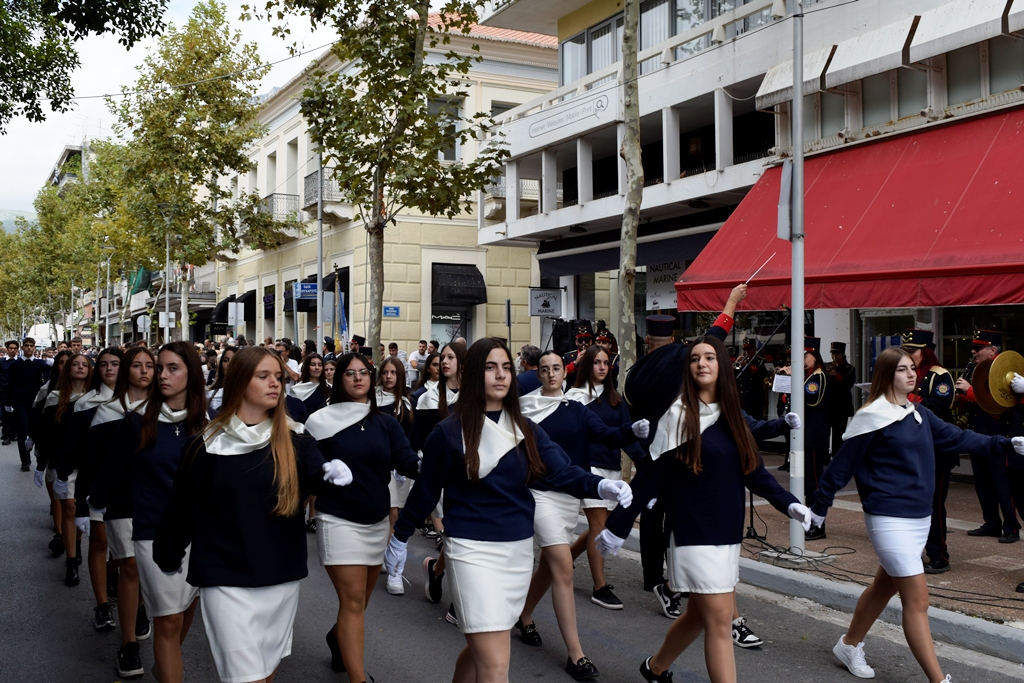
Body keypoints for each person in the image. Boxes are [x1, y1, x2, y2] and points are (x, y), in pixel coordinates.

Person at [385, 338, 632, 683]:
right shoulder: (447, 432)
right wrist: (399, 537)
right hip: (470, 551)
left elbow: (561, 470)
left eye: (505, 367)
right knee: (496, 664)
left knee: (479, 650)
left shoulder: (526, 429)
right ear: (474, 375)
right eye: (489, 367)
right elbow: (426, 491)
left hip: (516, 552)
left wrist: (599, 486)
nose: (500, 375)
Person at [597, 335, 809, 683]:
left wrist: (790, 505)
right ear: (688, 368)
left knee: (699, 615)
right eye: (695, 358)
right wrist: (618, 526)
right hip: (691, 531)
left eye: (710, 357)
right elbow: (649, 478)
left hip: (726, 532)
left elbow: (754, 472)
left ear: (721, 366)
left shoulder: (732, 416)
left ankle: (655, 668)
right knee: (720, 621)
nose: (701, 363)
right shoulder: (677, 418)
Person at [809, 346, 1022, 682]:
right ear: (886, 375)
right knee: (918, 600)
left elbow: (958, 437)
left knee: (883, 587)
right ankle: (938, 679)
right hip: (888, 519)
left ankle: (849, 644)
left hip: (918, 519)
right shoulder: (873, 416)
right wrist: (818, 509)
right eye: (902, 369)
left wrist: (1004, 443)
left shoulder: (917, 413)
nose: (911, 374)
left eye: (912, 368)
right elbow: (840, 467)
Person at [153, 346, 353, 683]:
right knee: (247, 678)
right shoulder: (205, 445)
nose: (276, 383)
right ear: (241, 382)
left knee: (265, 671)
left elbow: (316, 473)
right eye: (264, 376)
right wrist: (168, 553)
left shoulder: (295, 438)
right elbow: (183, 506)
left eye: (277, 376)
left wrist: (331, 476)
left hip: (280, 577)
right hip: (225, 579)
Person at [513, 350, 646, 679]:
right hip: (540, 494)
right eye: (544, 369)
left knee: (549, 567)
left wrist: (634, 431)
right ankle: (576, 655)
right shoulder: (524, 409)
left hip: (570, 496)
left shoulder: (577, 409)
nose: (551, 374)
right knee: (562, 567)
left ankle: (523, 615)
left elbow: (608, 435)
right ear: (538, 374)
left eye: (556, 368)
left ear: (564, 372)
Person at [89, 341, 208, 683]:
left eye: (173, 368)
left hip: (199, 533)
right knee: (167, 619)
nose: (162, 375)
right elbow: (109, 474)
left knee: (185, 610)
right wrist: (93, 510)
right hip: (153, 532)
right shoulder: (138, 422)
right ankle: (153, 654)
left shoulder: (207, 423)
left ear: (192, 375)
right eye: (161, 368)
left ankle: (165, 660)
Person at [621, 285, 745, 596]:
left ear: (648, 339)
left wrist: (640, 457)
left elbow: (629, 419)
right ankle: (680, 579)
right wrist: (731, 300)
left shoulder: (631, 374)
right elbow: (716, 335)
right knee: (677, 514)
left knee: (651, 514)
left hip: (649, 453)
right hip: (678, 447)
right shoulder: (682, 357)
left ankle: (651, 577)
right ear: (674, 340)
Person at [304, 352, 420, 683]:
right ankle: (358, 679)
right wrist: (323, 471)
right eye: (350, 373)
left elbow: (407, 460)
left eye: (364, 373)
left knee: (360, 601)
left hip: (376, 522)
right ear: (338, 379)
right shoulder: (319, 421)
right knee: (353, 600)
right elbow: (308, 469)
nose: (358, 378)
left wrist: (431, 467)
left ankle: (337, 637)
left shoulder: (385, 422)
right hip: (337, 521)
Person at [85, 346, 156, 677]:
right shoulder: (107, 412)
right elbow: (97, 464)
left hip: (155, 501)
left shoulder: (165, 411)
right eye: (137, 365)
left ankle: (139, 606)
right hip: (119, 501)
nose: (144, 371)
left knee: (144, 566)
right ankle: (129, 646)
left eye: (150, 366)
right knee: (128, 566)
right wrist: (93, 505)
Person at [566, 344, 646, 612]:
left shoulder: (616, 399)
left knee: (600, 524)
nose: (602, 367)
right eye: (596, 362)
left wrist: (645, 464)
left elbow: (627, 436)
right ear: (587, 365)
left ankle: (565, 558)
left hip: (612, 469)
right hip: (587, 470)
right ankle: (600, 587)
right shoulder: (574, 398)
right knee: (600, 525)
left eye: (605, 362)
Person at [54, 348, 122, 622]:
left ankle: (116, 580)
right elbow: (73, 446)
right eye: (103, 364)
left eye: (115, 364)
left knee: (126, 550)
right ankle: (102, 604)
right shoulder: (85, 404)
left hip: (129, 484)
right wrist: (63, 475)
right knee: (101, 539)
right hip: (93, 479)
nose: (108, 369)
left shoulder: (139, 402)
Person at [955, 329, 1021, 543]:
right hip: (977, 431)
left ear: (993, 350)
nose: (974, 352)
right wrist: (960, 400)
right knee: (982, 482)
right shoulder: (975, 368)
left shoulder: (1004, 371)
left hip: (997, 433)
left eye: (979, 348)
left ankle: (1011, 526)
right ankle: (991, 522)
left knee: (1002, 484)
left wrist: (969, 391)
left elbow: (997, 402)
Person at [900, 329, 958, 574]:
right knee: (913, 503)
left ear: (926, 351)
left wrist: (908, 400)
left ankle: (939, 555)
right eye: (906, 351)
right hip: (912, 448)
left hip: (936, 451)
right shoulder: (907, 374)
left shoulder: (940, 375)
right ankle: (917, 552)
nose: (909, 356)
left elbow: (938, 405)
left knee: (934, 505)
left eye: (913, 351)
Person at [41, 352, 93, 585]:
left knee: (81, 509)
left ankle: (77, 544)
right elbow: (48, 434)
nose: (80, 368)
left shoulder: (97, 398)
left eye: (85, 364)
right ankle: (71, 562)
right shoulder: (54, 397)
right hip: (64, 462)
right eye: (76, 364)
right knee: (69, 507)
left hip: (89, 462)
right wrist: (45, 464)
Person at [778, 337, 830, 539]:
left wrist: (793, 380)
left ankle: (818, 525)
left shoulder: (818, 377)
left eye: (805, 356)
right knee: (802, 480)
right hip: (802, 437)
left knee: (813, 483)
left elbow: (811, 399)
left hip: (813, 437)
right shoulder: (806, 377)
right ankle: (808, 520)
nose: (801, 360)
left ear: (815, 357)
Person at [377, 356, 415, 595]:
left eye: (393, 373)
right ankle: (392, 567)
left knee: (397, 516)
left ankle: (393, 566)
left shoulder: (406, 404)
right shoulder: (372, 400)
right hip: (378, 466)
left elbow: (410, 437)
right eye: (385, 372)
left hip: (401, 469)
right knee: (389, 514)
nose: (389, 377)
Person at [9, 337, 51, 471]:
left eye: (31, 345)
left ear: (35, 348)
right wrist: (8, 402)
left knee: (37, 430)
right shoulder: (15, 365)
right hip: (19, 400)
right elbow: (10, 384)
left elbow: (55, 370)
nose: (29, 348)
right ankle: (25, 461)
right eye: (26, 345)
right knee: (23, 430)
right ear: (22, 348)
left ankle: (39, 455)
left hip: (36, 401)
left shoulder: (40, 364)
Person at [826, 341, 857, 454]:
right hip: (829, 405)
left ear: (843, 354)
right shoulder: (828, 366)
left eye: (837, 354)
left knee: (839, 433)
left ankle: (836, 455)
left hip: (841, 406)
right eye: (833, 354)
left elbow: (848, 385)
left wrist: (837, 376)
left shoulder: (849, 368)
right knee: (825, 431)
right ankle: (824, 456)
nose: (834, 356)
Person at [735, 338, 768, 420]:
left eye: (749, 349)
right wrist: (735, 364)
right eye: (745, 349)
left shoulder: (760, 361)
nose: (747, 352)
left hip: (755, 400)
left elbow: (760, 374)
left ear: (755, 349)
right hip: (743, 399)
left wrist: (747, 366)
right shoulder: (742, 361)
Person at [0, 340, 20, 445]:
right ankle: (6, 434)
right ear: (7, 349)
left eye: (15, 348)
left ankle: (14, 433)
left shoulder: (20, 361)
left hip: (17, 392)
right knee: (6, 413)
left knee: (16, 413)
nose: (13, 350)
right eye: (11, 348)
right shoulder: (1, 362)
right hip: (4, 391)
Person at [206, 346, 237, 413]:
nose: (229, 364)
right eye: (225, 360)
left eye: (234, 360)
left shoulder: (249, 396)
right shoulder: (210, 395)